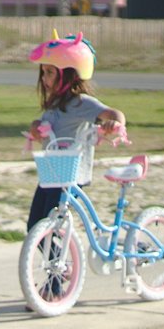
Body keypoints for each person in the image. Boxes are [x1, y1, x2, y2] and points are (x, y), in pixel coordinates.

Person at [25, 30, 126, 233]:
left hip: (71, 177)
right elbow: (47, 124)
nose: (44, 78)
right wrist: (36, 126)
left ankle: (60, 262)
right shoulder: (53, 105)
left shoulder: (81, 103)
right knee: (34, 226)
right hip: (51, 173)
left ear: (69, 74)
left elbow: (114, 113)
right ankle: (57, 262)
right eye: (43, 72)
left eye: (50, 73)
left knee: (50, 226)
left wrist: (115, 124)